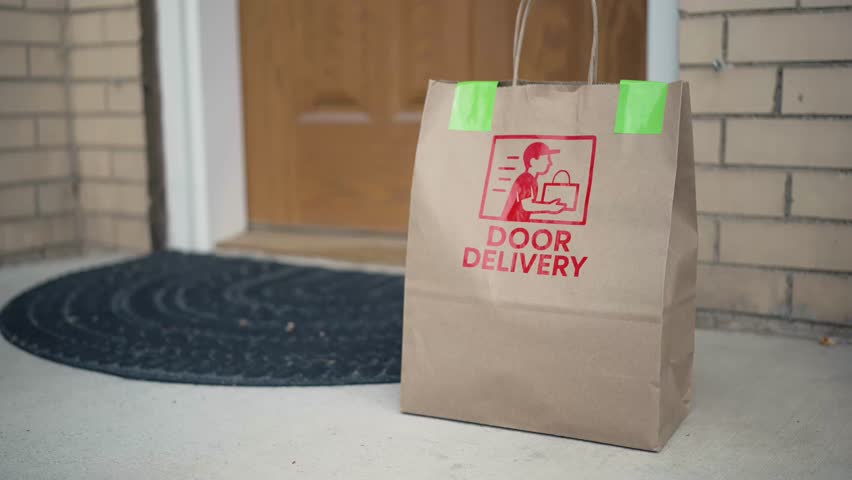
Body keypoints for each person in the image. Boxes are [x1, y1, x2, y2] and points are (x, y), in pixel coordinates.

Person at [500, 141, 567, 222]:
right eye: (546, 159)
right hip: (514, 223)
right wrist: (550, 207)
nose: (549, 163)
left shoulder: (528, 178)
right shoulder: (527, 179)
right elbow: (527, 206)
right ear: (533, 161)